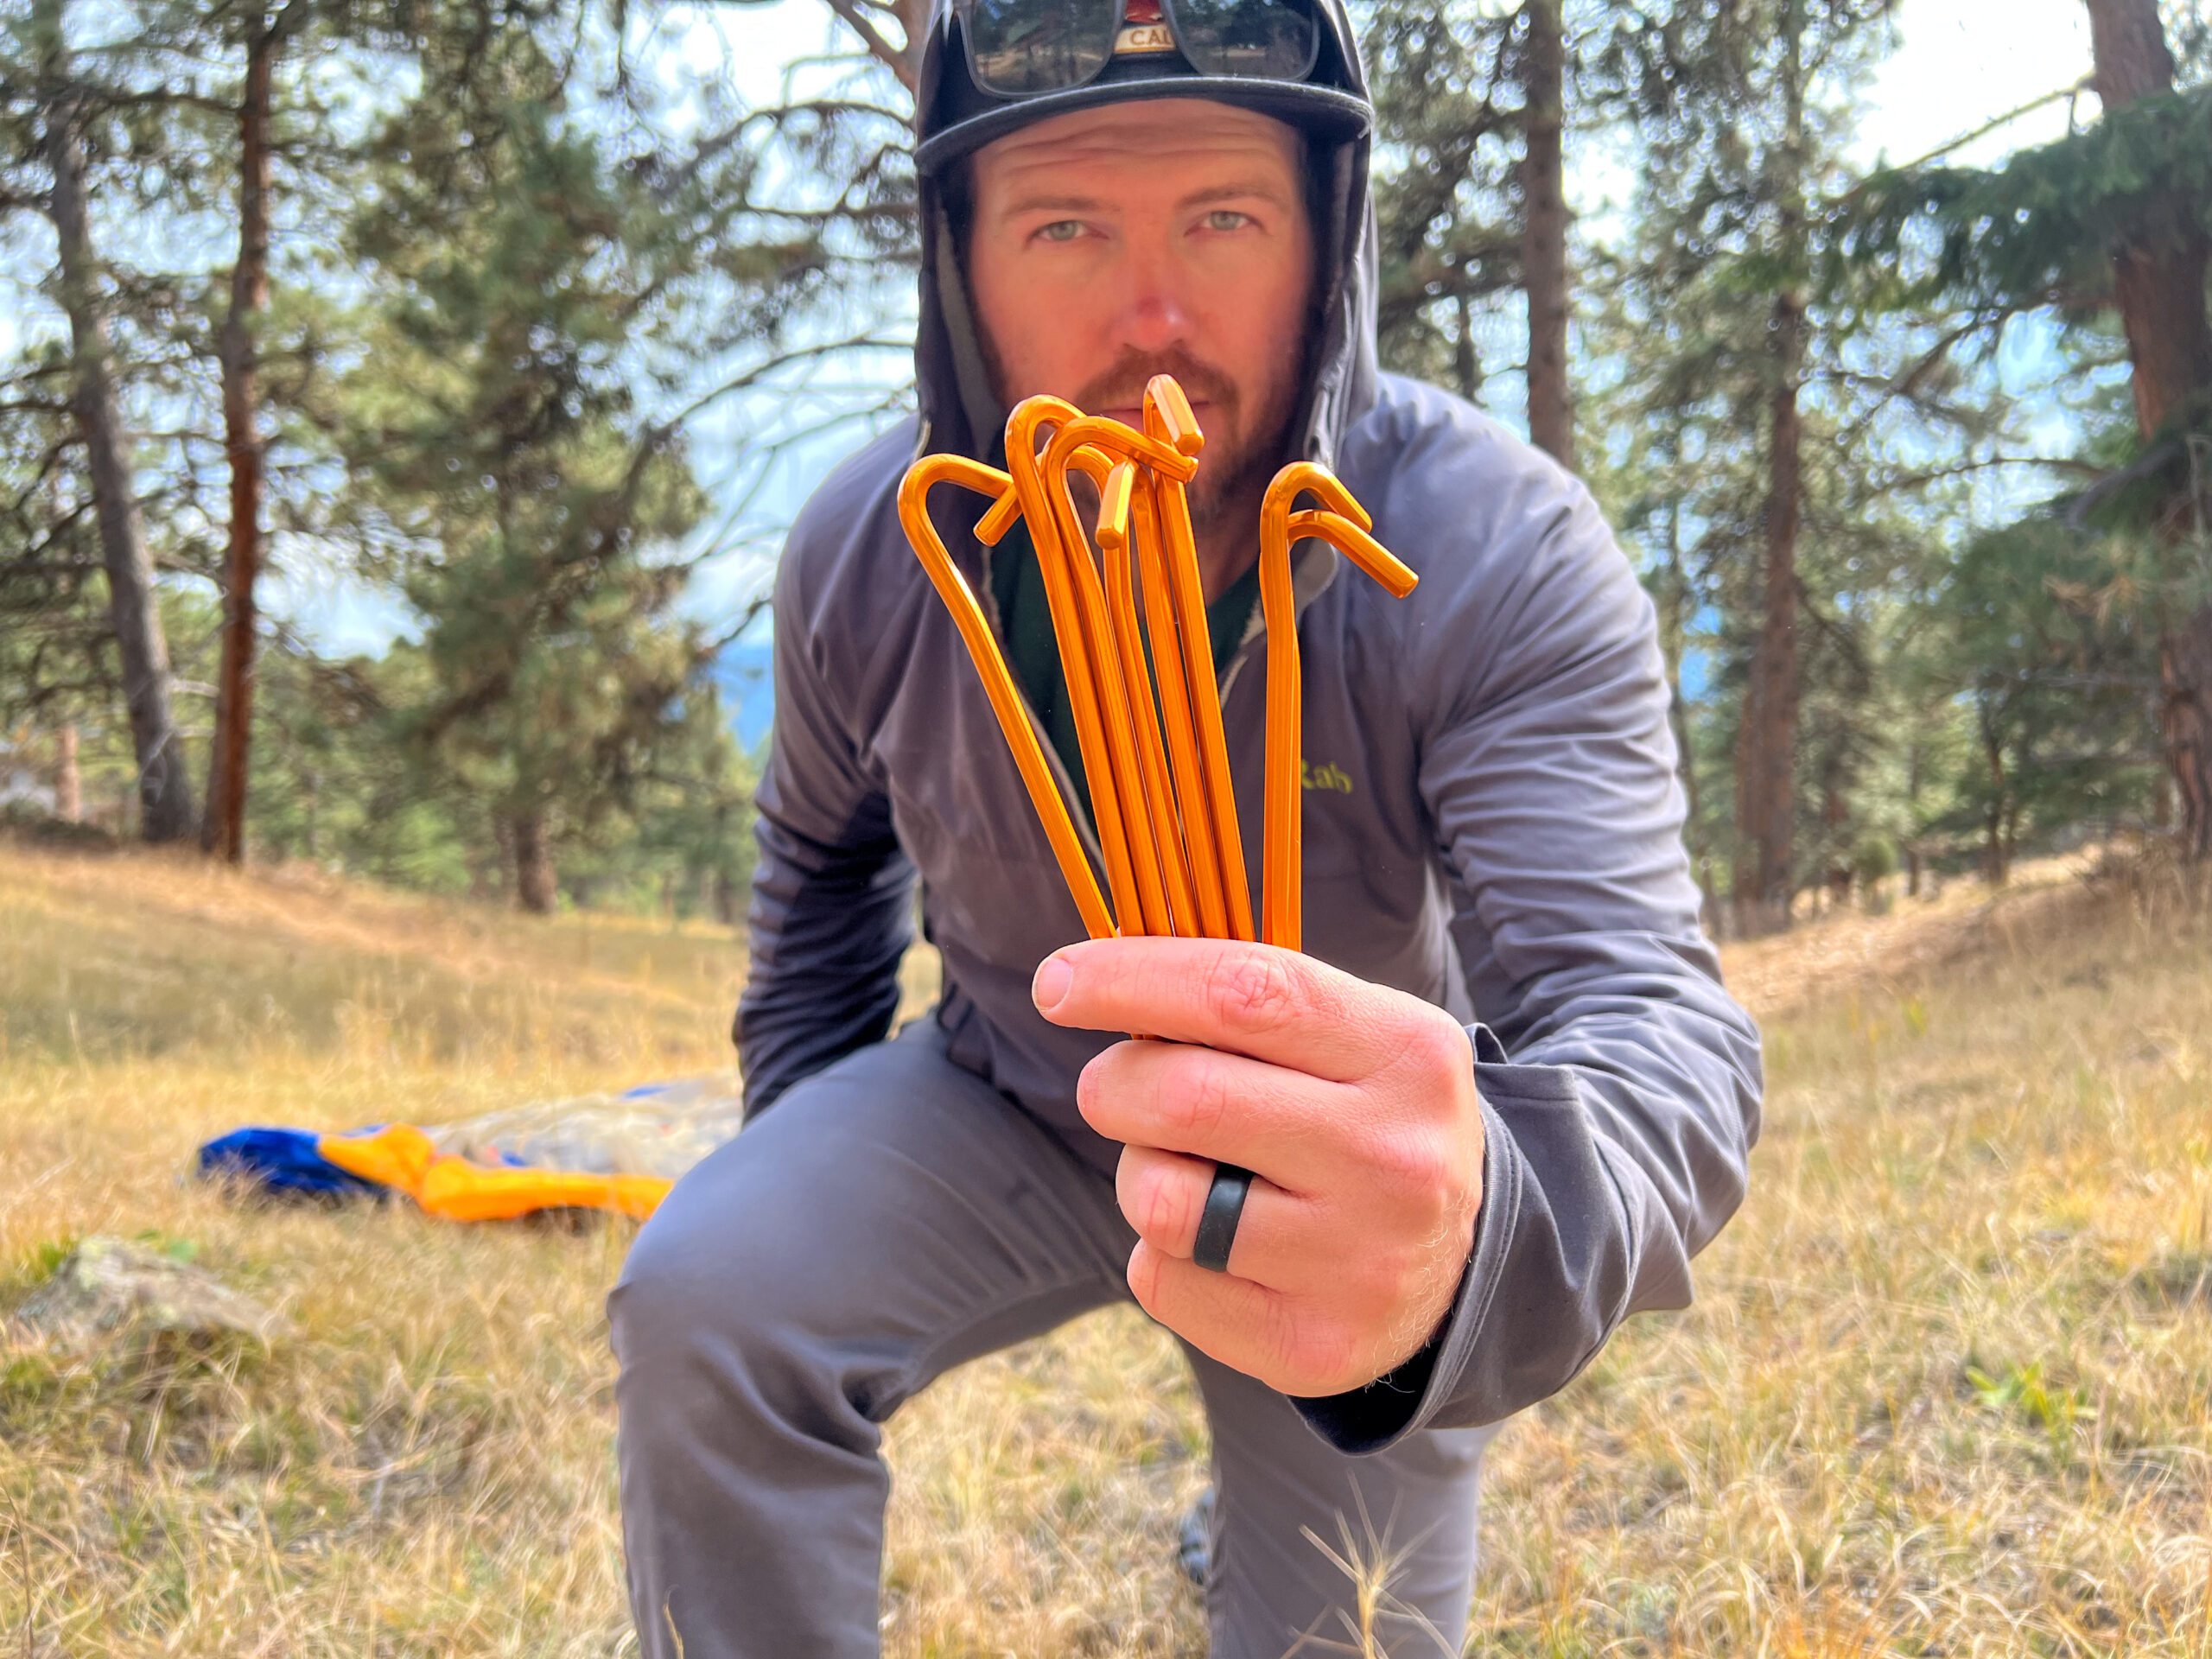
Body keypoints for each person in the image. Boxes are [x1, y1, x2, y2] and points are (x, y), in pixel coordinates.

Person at [609, 0, 1762, 1650]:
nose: (1153, 314)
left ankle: (1277, 1488)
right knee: (711, 1295)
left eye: (1223, 218)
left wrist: (1470, 1228)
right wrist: (804, 1152)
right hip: (1004, 1091)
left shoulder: (1484, 549)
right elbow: (818, 866)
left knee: (1340, 1627)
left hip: (1334, 1161)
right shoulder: (880, 549)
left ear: (1327, 244)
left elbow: (1648, 1017)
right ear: (961, 267)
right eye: (1065, 225)